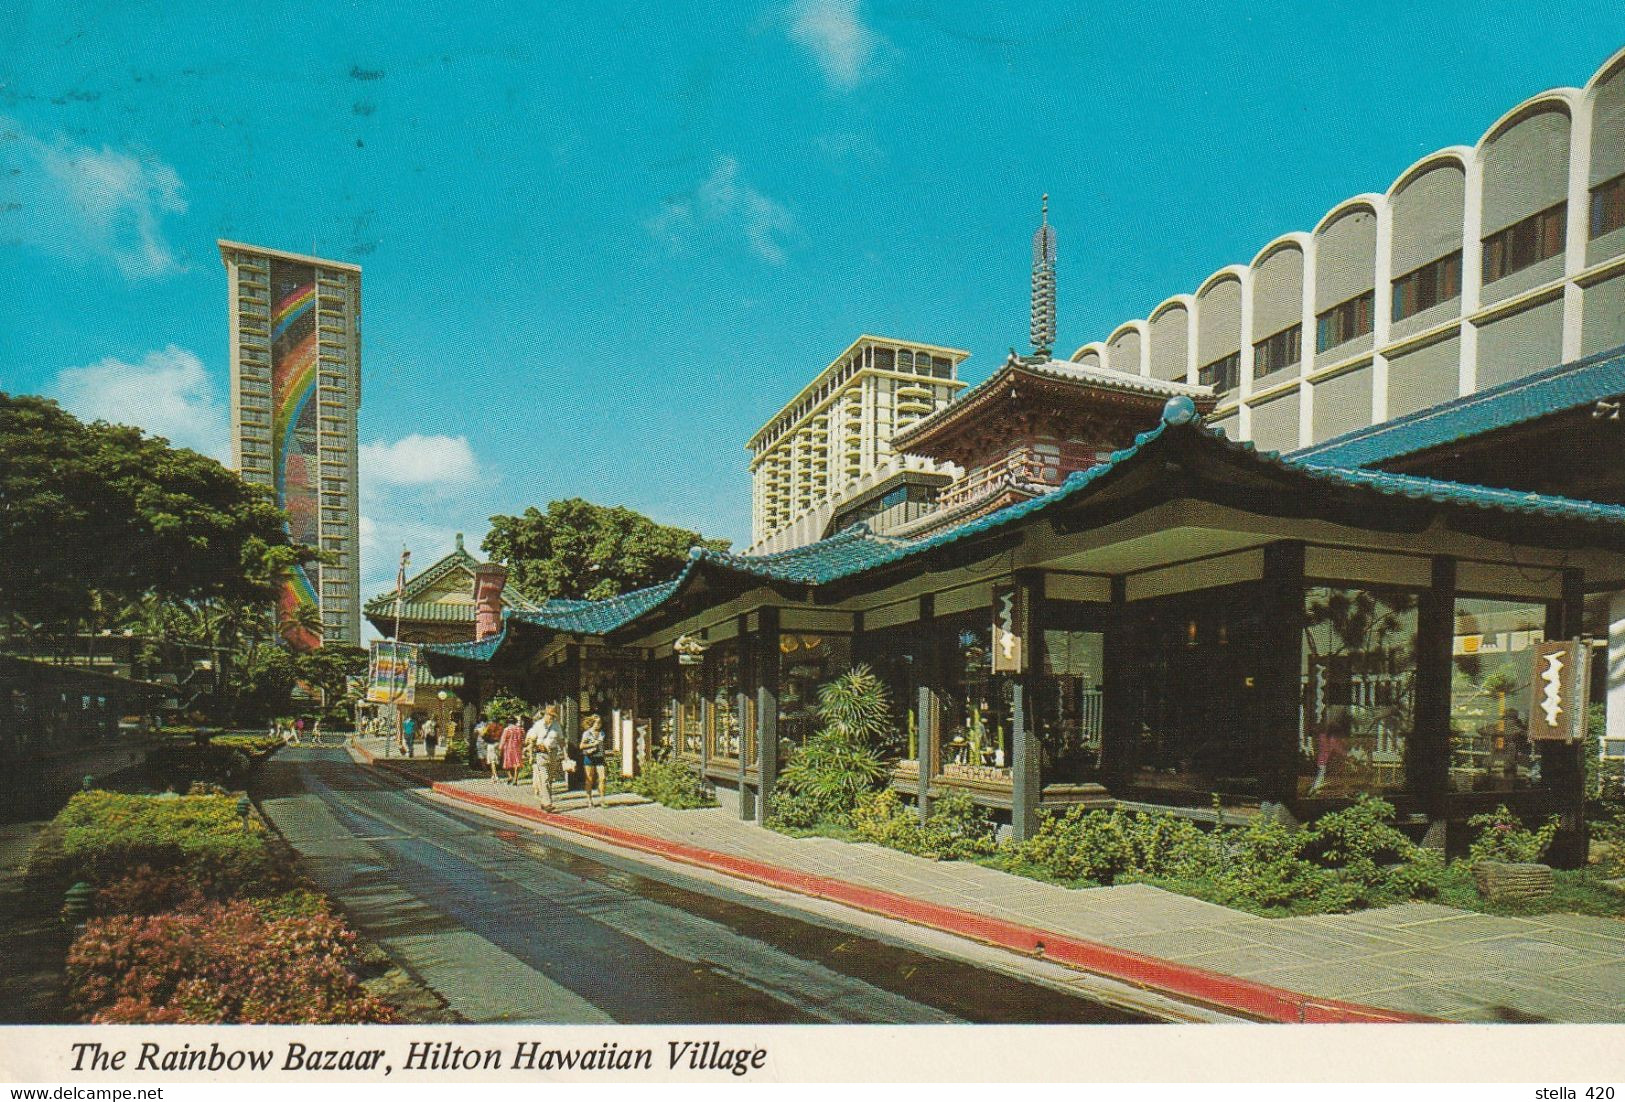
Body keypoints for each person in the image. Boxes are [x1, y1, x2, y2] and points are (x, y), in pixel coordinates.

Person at [527, 707, 566, 808]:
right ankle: (548, 802)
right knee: (544, 778)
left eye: (553, 716)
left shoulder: (556, 725)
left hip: (553, 753)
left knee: (550, 778)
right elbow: (532, 740)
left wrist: (566, 755)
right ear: (545, 714)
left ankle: (544, 801)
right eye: (550, 715)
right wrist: (531, 755)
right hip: (541, 753)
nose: (552, 718)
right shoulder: (538, 725)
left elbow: (561, 741)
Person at [578, 714, 607, 808]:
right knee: (589, 779)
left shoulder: (602, 733)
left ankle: (602, 799)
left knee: (602, 778)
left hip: (600, 757)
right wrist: (593, 744)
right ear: (593, 723)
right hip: (590, 757)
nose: (599, 725)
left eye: (600, 723)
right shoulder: (587, 733)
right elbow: (581, 746)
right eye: (597, 723)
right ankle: (589, 799)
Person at [498, 714, 526, 785]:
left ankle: (510, 776)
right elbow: (523, 740)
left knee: (507, 763)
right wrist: (523, 746)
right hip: (517, 748)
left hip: (508, 748)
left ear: (508, 722)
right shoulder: (520, 729)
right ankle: (515, 780)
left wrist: (500, 748)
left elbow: (503, 740)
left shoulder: (506, 729)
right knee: (517, 763)